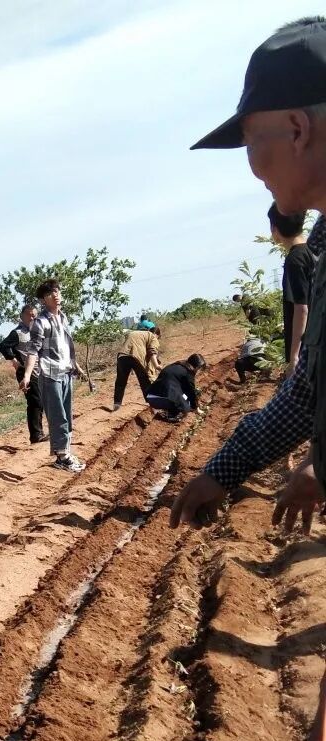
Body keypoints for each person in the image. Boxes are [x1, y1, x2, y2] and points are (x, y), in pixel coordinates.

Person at [171, 16, 326, 533]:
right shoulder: (321, 249)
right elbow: (306, 393)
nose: (252, 166)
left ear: (298, 130)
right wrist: (223, 470)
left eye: (250, 141)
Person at [20, 279, 87, 472]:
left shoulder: (63, 318)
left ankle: (65, 452)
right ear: (43, 300)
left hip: (66, 373)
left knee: (67, 416)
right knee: (58, 417)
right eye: (50, 294)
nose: (55, 295)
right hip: (50, 375)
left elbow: (66, 347)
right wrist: (27, 375)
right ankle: (62, 457)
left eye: (56, 291)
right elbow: (33, 351)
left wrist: (76, 366)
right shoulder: (40, 323)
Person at [268, 202, 316, 375]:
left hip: (308, 349)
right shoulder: (314, 250)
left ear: (274, 229)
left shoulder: (294, 260)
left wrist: (294, 357)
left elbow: (301, 308)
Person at [0, 302, 47, 443]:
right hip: (25, 372)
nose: (32, 318)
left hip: (38, 370)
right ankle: (36, 435)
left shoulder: (37, 332)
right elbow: (3, 346)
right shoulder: (18, 333)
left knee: (40, 401)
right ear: (22, 316)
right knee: (35, 401)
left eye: (35, 315)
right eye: (29, 315)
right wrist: (14, 360)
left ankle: (39, 433)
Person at [146, 354, 206, 422]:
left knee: (182, 396)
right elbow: (191, 393)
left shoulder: (176, 365)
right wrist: (196, 408)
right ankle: (171, 415)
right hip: (160, 400)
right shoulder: (187, 373)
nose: (198, 370)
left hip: (151, 397)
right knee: (186, 407)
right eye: (199, 368)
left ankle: (166, 409)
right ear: (196, 366)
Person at [113, 326, 161, 410]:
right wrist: (156, 365)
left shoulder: (137, 333)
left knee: (120, 381)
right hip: (136, 357)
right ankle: (153, 405)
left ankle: (116, 404)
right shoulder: (153, 336)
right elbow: (152, 351)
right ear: (157, 335)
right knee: (144, 381)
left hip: (122, 356)